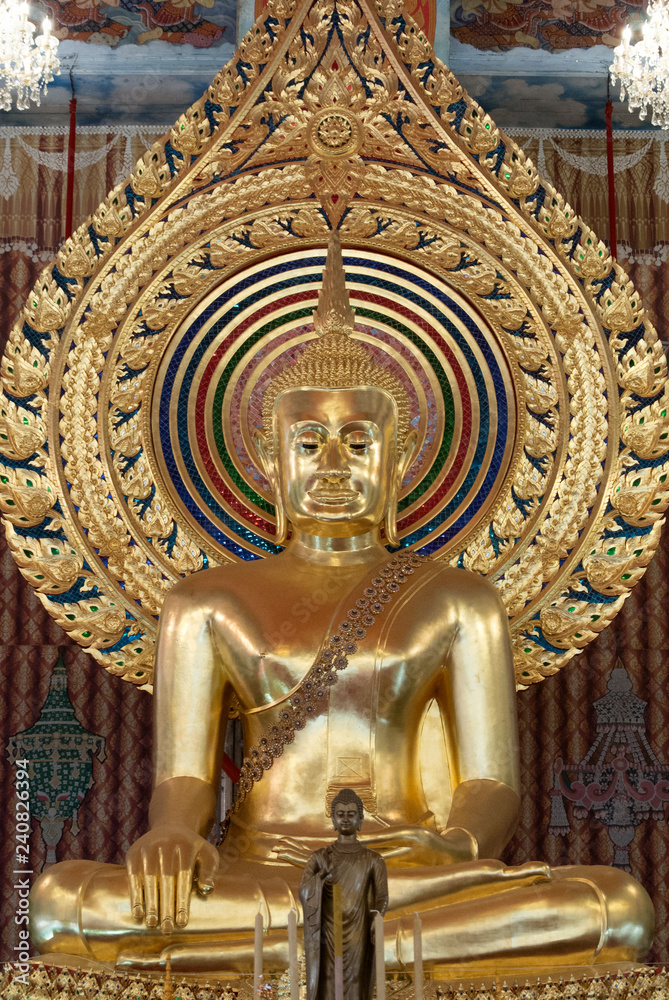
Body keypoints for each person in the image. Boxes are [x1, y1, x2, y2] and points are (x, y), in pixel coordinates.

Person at [30, 235, 654, 975]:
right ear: (268, 458)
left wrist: (454, 848)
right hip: (259, 877)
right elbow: (185, 778)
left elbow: (489, 783)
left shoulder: (460, 600)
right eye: (309, 443)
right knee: (59, 901)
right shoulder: (203, 603)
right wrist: (169, 835)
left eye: (358, 444)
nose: (331, 466)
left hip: (412, 878)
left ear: (400, 460)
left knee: (613, 908)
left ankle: (325, 948)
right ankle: (353, 950)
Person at [300, 788, 388, 1000]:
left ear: (360, 818)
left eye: (351, 814)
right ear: (333, 818)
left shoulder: (373, 859)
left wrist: (377, 916)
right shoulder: (320, 857)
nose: (346, 819)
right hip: (328, 927)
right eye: (340, 814)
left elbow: (382, 896)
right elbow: (304, 889)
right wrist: (320, 878)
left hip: (359, 927)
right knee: (329, 975)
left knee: (355, 976)